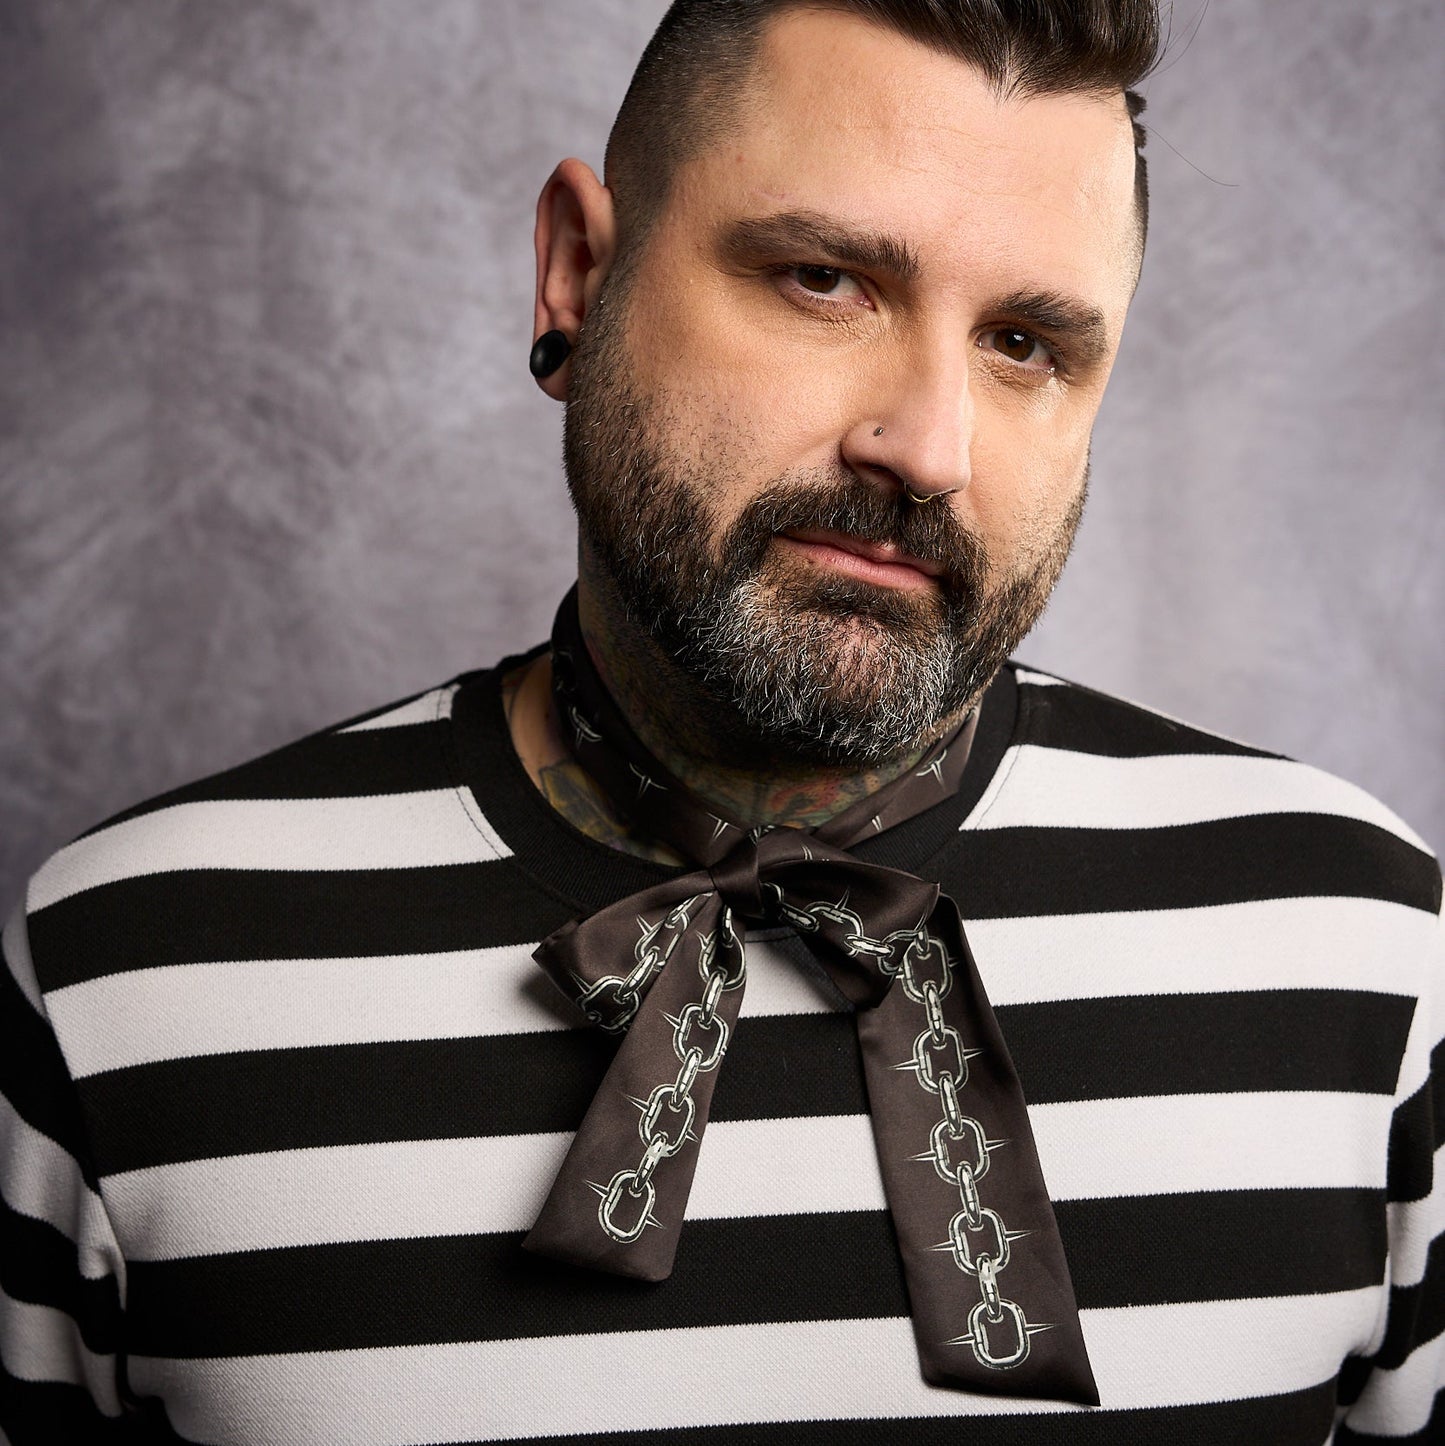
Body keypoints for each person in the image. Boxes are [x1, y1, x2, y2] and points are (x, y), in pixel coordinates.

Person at [2, 0, 1440, 1440]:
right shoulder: (121, 974)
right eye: (822, 280)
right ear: (577, 270)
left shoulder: (1364, 948)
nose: (925, 447)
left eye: (1022, 341)